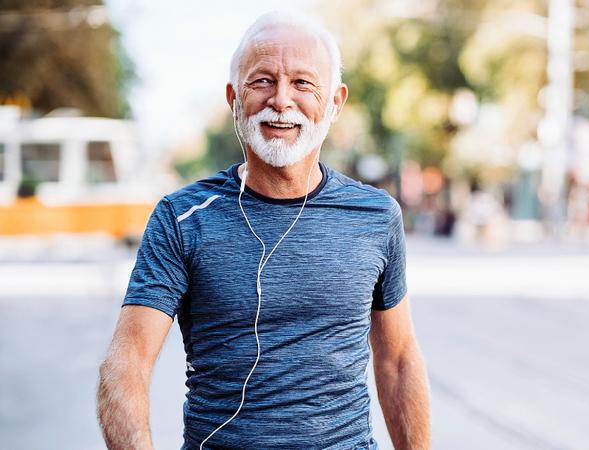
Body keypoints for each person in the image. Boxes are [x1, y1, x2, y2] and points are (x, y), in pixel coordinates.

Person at [96, 12, 430, 450]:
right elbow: (128, 362)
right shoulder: (182, 217)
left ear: (335, 102)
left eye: (303, 83)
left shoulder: (376, 215)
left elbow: (399, 361)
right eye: (263, 81)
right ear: (234, 97)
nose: (281, 101)